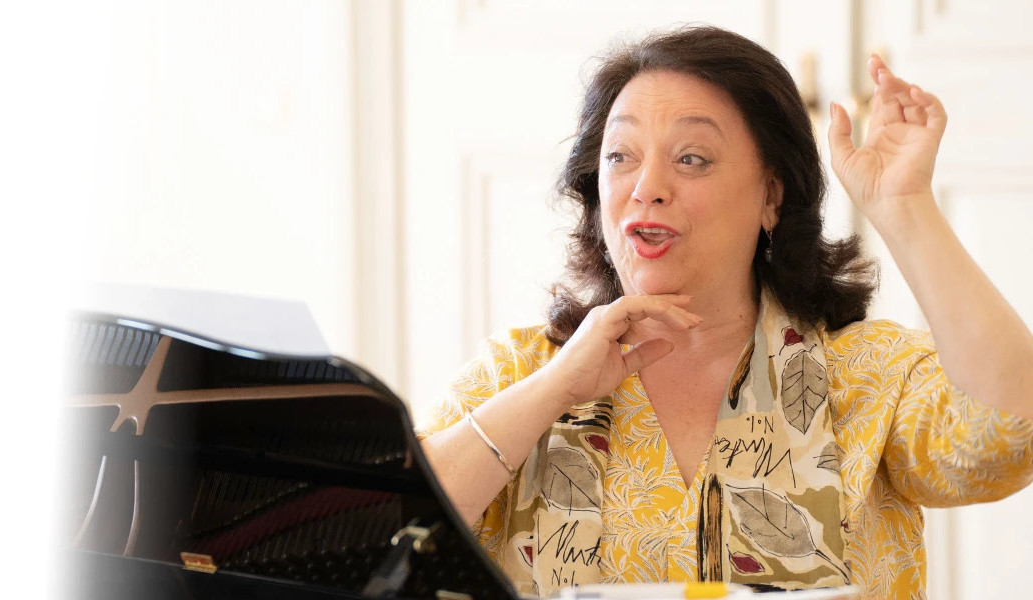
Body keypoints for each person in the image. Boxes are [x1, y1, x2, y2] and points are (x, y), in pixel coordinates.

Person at [414, 25, 1033, 598]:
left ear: (771, 194)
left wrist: (905, 207)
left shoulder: (868, 372)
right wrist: (553, 390)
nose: (645, 186)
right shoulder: (518, 371)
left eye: (692, 158)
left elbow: (1010, 435)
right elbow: (380, 536)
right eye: (619, 156)